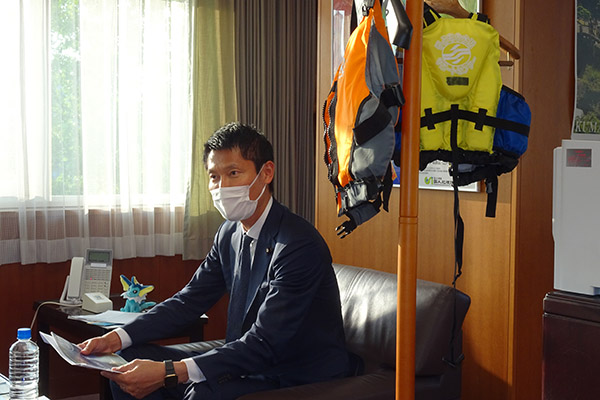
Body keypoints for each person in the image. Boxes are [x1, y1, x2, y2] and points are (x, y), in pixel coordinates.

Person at [79, 122, 350, 400]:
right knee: (125, 362)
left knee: (201, 393)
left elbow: (266, 342)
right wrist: (115, 338)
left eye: (233, 173)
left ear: (266, 173)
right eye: (214, 177)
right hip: (246, 359)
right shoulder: (228, 233)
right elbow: (189, 301)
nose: (222, 187)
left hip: (293, 370)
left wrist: (169, 372)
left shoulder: (297, 244)